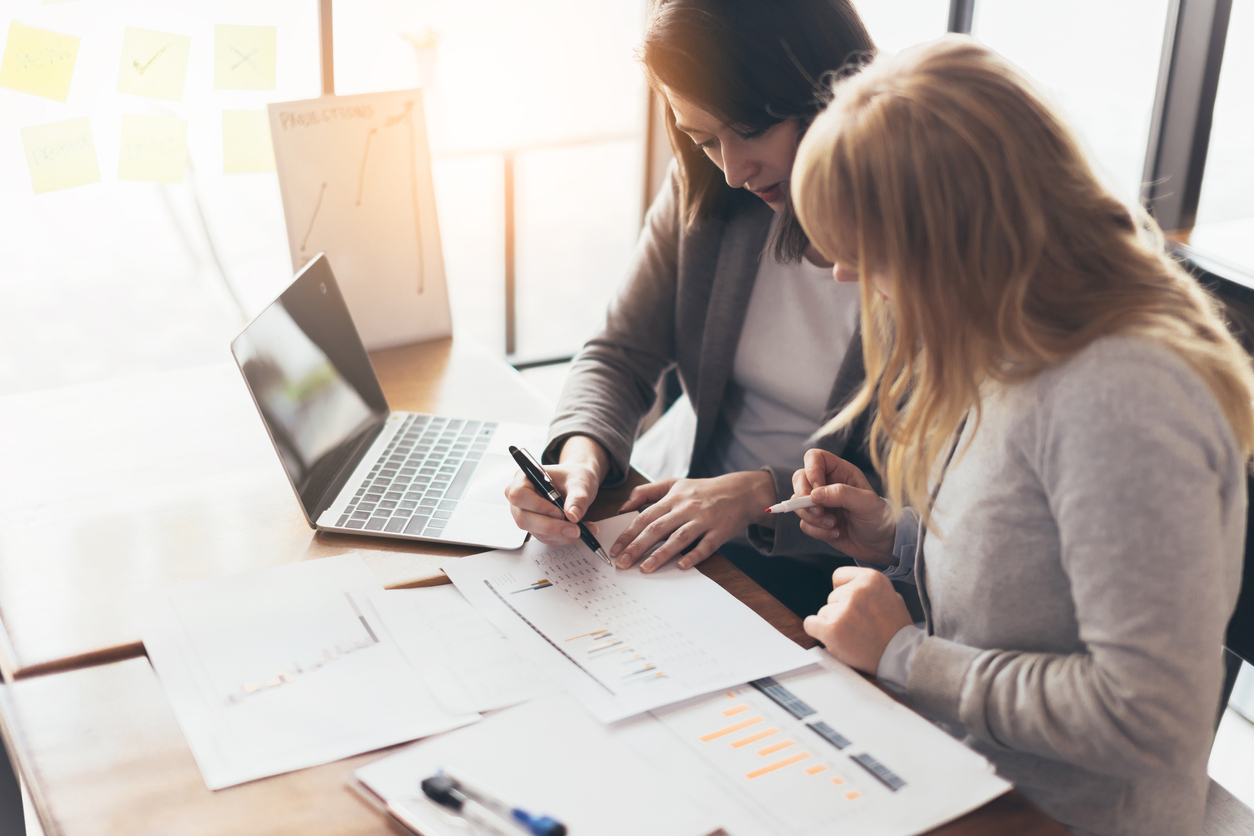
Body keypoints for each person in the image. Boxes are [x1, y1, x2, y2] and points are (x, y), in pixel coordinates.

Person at [787, 36, 1254, 836]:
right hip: (961, 778)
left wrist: (903, 654)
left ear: (954, 240)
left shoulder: (1121, 397)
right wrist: (899, 539)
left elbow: (1148, 715)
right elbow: (1041, 558)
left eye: (866, 250)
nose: (847, 276)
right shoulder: (1010, 342)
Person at [505, 0, 879, 612]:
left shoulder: (923, 231)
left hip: (817, 571)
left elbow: (926, 480)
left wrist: (763, 493)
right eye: (704, 139)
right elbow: (619, 352)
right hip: (663, 519)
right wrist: (579, 459)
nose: (733, 170)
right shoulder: (710, 190)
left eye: (752, 130)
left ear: (826, 87)